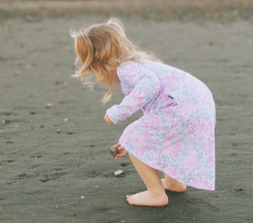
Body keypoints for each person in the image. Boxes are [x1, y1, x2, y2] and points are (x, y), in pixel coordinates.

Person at [71, 19, 215, 207]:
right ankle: (173, 182)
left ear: (103, 63)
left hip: (183, 107)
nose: (98, 77)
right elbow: (157, 114)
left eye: (95, 71)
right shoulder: (138, 63)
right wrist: (127, 143)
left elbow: (151, 85)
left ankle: (156, 194)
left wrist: (118, 112)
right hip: (198, 103)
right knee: (157, 137)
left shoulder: (126, 69)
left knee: (134, 134)